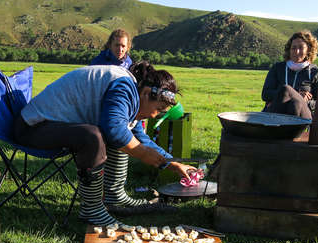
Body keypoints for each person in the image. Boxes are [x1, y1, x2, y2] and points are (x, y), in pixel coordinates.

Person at [12, 61, 192, 226]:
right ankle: (92, 210)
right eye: (158, 109)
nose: (155, 116)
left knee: (124, 135)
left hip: (50, 127)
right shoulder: (124, 87)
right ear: (145, 94)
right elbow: (114, 131)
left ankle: (114, 197)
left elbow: (138, 138)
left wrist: (172, 162)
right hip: (32, 128)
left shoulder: (132, 92)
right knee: (95, 136)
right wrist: (143, 154)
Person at [261, 30, 318, 119]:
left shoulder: (315, 72)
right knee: (286, 90)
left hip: (302, 115)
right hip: (277, 110)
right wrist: (294, 94)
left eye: (301, 48)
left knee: (295, 103)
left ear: (308, 49)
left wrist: (303, 101)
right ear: (289, 50)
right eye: (293, 48)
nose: (297, 51)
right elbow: (265, 94)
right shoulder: (278, 68)